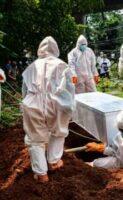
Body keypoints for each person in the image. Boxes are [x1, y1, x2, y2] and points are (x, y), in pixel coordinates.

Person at [21, 36, 75, 183]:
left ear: (40, 49)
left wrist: (26, 106)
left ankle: (41, 174)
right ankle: (53, 161)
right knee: (58, 132)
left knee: (35, 139)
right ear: (55, 49)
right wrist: (70, 107)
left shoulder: (31, 67)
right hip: (57, 103)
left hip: (33, 103)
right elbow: (70, 89)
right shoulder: (62, 65)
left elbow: (24, 90)